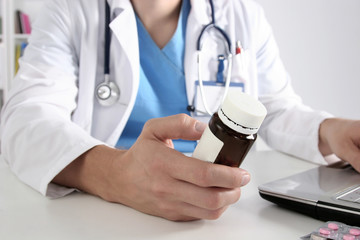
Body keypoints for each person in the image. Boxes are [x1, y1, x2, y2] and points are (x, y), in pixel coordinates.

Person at [0, 0, 359, 222]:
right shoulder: (71, 9)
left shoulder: (240, 15)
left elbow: (274, 110)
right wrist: (114, 174)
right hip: (101, 209)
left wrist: (331, 130)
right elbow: (26, 117)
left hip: (218, 210)